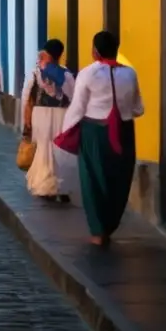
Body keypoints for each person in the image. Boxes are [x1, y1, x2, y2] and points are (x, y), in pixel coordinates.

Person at [61, 31, 144, 247]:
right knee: (120, 178)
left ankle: (98, 231)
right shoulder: (130, 73)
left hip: (94, 131)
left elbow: (77, 107)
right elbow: (138, 108)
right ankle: (109, 225)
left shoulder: (87, 74)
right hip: (124, 131)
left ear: (94, 51)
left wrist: (65, 131)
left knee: (92, 180)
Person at [23, 39, 76, 202]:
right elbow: (73, 96)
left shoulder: (40, 73)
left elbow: (26, 97)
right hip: (51, 114)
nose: (41, 57)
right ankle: (50, 186)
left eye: (44, 54)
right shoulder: (64, 74)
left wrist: (25, 118)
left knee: (56, 149)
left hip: (53, 114)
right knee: (47, 148)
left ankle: (56, 186)